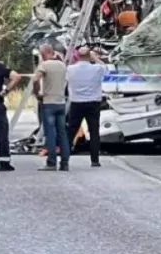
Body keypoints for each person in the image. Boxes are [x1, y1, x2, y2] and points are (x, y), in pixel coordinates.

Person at [66, 46, 107, 167]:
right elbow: (106, 68)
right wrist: (95, 58)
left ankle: (65, 158)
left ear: (77, 56)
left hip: (76, 103)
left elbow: (66, 74)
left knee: (71, 131)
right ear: (90, 56)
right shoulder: (97, 68)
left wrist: (74, 59)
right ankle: (95, 160)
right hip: (93, 102)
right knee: (94, 132)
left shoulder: (70, 69)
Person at [34, 44, 69, 172]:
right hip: (61, 102)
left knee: (50, 134)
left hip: (49, 102)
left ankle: (51, 162)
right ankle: (65, 163)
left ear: (43, 53)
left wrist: (37, 93)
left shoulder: (44, 65)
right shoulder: (62, 65)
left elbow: (35, 79)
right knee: (63, 133)